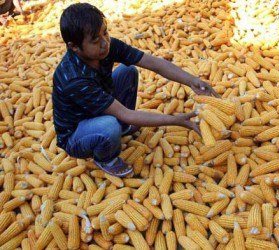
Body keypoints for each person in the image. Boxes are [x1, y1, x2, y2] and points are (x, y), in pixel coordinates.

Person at [53, 3, 219, 177]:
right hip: (76, 135)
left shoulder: (106, 47)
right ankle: (105, 158)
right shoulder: (74, 79)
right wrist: (176, 120)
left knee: (128, 71)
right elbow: (126, 114)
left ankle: (122, 129)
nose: (105, 42)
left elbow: (153, 63)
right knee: (109, 126)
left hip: (99, 107)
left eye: (106, 32)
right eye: (95, 40)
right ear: (74, 47)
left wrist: (192, 80)